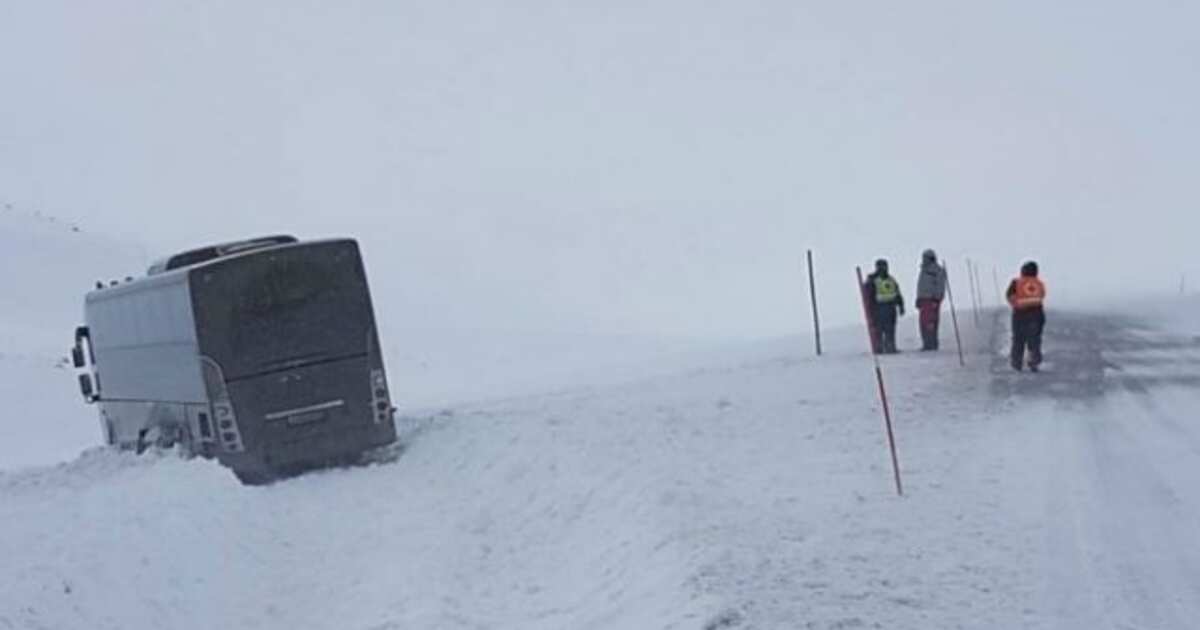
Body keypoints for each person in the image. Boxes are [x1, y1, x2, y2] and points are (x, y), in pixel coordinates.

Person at [1005, 260, 1046, 372]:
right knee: (1034, 340)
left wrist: (1017, 304)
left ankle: (1016, 362)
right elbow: (1042, 295)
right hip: (1036, 315)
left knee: (1018, 339)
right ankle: (1034, 361)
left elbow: (1008, 295)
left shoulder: (1016, 282)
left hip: (1019, 315)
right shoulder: (1039, 283)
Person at [863, 258, 905, 354]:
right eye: (881, 266)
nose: (884, 268)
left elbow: (897, 293)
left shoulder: (891, 279)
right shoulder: (873, 280)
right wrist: (870, 309)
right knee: (879, 329)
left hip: (890, 308)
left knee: (890, 329)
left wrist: (901, 305)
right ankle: (879, 348)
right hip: (879, 308)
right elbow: (868, 296)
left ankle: (890, 347)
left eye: (885, 266)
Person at [914, 249, 947, 351]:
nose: (923, 260)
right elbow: (921, 286)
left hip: (932, 300)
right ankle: (926, 343)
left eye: (925, 258)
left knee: (930, 322)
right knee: (923, 323)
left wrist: (937, 299)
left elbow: (940, 286)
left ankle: (931, 343)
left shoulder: (937, 271)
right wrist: (919, 298)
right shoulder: (924, 270)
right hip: (923, 300)